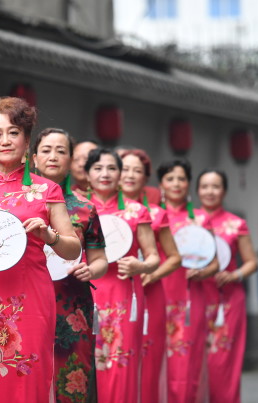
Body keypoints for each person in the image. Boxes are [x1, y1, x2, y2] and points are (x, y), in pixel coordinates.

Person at [0, 97, 81, 402]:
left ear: (27, 139)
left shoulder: (47, 190)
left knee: (27, 375)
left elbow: (72, 250)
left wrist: (50, 237)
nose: (5, 141)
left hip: (30, 296)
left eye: (13, 133)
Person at [32, 128, 108, 402]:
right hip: (25, 302)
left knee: (72, 379)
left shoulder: (86, 208)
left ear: (71, 159)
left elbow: (100, 260)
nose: (53, 156)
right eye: (46, 150)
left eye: (61, 151)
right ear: (33, 158)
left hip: (71, 304)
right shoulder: (16, 203)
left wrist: (91, 269)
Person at [83, 147, 159, 402]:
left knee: (119, 364)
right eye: (98, 168)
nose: (105, 174)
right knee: (84, 363)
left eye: (112, 168)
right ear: (87, 173)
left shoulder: (137, 212)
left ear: (119, 174)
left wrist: (140, 266)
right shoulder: (78, 209)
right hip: (85, 293)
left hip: (123, 296)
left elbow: (153, 257)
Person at [119, 148, 181, 403]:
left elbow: (174, 257)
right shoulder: (98, 211)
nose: (130, 175)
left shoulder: (155, 213)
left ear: (146, 178)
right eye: (125, 169)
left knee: (148, 356)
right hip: (113, 291)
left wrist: (152, 275)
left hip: (149, 293)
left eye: (138, 171)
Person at [157, 158, 219, 402]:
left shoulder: (202, 219)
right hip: (158, 292)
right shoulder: (150, 214)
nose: (176, 184)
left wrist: (204, 272)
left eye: (181, 178)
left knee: (186, 361)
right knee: (155, 357)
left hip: (190, 298)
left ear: (189, 184)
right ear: (160, 183)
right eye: (170, 178)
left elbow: (216, 261)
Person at [197, 169, 258, 403]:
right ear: (197, 190)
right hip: (194, 298)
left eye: (215, 186)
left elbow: (252, 262)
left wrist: (235, 275)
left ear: (224, 190)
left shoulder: (236, 224)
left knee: (222, 361)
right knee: (191, 359)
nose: (210, 191)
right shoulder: (187, 222)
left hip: (227, 301)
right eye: (204, 186)